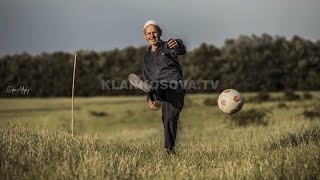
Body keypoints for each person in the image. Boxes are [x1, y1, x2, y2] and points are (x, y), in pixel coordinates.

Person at [128, 20, 186, 155]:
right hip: (157, 87)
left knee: (169, 118)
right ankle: (150, 90)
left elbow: (181, 49)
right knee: (153, 84)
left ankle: (169, 149)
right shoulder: (146, 58)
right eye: (149, 33)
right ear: (145, 36)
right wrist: (150, 97)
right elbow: (147, 76)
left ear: (160, 33)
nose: (152, 35)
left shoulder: (169, 46)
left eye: (154, 32)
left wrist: (178, 42)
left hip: (174, 88)